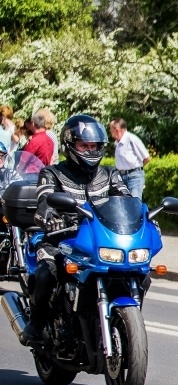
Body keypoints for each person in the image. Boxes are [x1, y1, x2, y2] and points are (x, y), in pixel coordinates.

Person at [21, 114, 131, 345]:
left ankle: (121, 319)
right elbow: (45, 201)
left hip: (96, 240)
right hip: (59, 238)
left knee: (138, 271)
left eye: (95, 146)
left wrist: (143, 221)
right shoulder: (52, 173)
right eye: (84, 145)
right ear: (70, 146)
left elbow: (126, 203)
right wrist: (50, 216)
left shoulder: (111, 175)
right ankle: (36, 324)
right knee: (47, 271)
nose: (90, 151)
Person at [109, 118, 151, 200]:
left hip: (133, 177)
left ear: (116, 129)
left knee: (134, 204)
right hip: (121, 177)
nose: (110, 131)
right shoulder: (117, 143)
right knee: (123, 204)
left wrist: (136, 170)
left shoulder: (132, 139)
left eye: (110, 128)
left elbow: (147, 158)